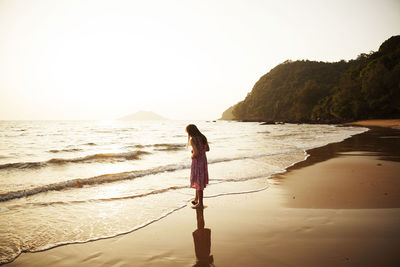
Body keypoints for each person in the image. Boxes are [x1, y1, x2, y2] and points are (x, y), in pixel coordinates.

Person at [186, 124, 209, 209]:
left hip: (197, 161)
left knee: (198, 182)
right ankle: (196, 199)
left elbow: (196, 153)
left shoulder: (193, 140)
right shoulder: (203, 137)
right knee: (199, 180)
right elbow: (207, 149)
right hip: (203, 161)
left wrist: (192, 155)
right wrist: (199, 150)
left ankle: (201, 204)